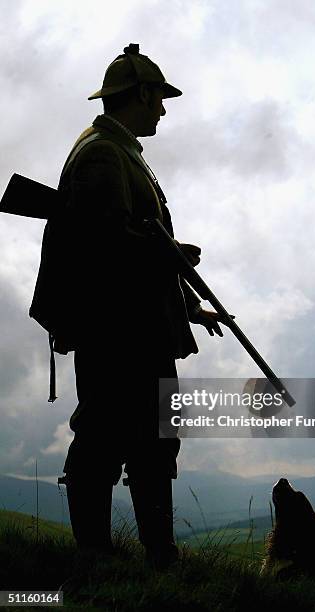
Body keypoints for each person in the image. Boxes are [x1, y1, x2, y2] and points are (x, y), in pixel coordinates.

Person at [59, 44, 228, 567]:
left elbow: (138, 240)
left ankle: (158, 554)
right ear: (139, 95)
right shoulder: (104, 153)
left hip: (139, 326)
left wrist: (185, 306)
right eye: (158, 98)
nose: (162, 109)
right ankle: (95, 554)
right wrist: (171, 256)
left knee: (152, 444)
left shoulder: (121, 151)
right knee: (104, 440)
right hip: (118, 331)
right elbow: (105, 245)